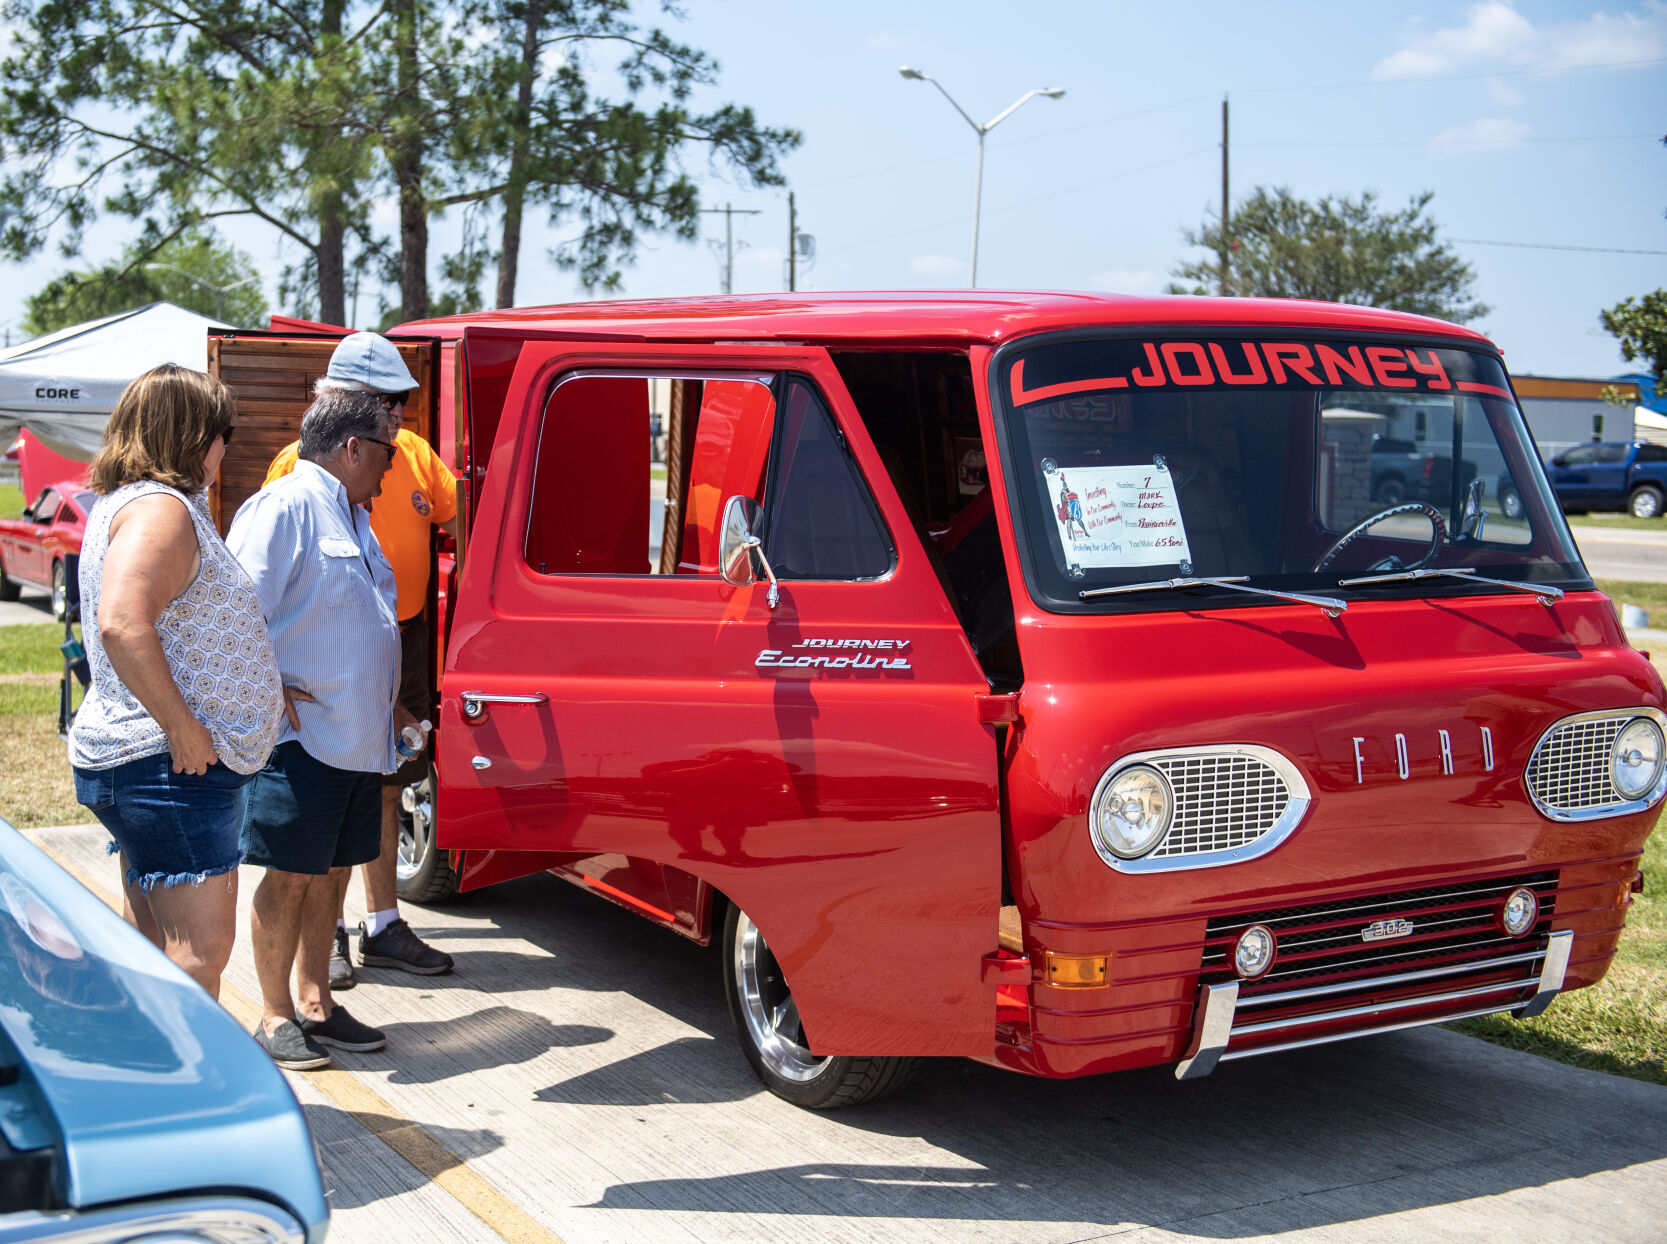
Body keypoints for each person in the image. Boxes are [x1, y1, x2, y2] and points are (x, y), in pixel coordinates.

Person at [67, 364, 285, 1002]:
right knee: (199, 953)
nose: (228, 448)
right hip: (170, 769)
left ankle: (145, 1079)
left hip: (150, 767)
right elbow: (122, 623)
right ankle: (195, 1096)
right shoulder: (160, 510)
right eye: (225, 433)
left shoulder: (131, 504)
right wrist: (181, 727)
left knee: (155, 947)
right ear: (194, 435)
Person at [228, 385, 418, 1070]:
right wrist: (266, 683)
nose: (394, 466)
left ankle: (317, 1002)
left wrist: (390, 703)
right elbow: (236, 608)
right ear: (352, 447)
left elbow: (361, 621)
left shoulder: (353, 516)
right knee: (290, 875)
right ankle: (274, 1012)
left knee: (334, 871)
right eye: (387, 451)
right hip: (301, 739)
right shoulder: (284, 507)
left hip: (357, 736)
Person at [261, 331, 457, 986]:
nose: (396, 416)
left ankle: (382, 923)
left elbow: (454, 519)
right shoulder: (298, 468)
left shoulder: (415, 456)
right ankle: (333, 936)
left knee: (386, 781)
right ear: (340, 403)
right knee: (327, 794)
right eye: (381, 402)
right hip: (323, 658)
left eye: (400, 402)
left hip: (399, 641)